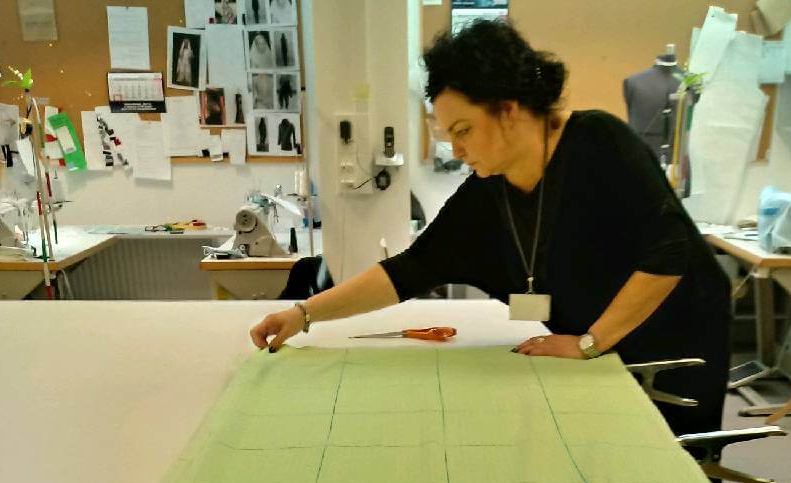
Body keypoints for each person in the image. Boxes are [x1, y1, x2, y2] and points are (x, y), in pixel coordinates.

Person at [250, 21, 731, 438]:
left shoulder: (600, 143)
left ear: (509, 109)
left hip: (674, 344)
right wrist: (304, 313)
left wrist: (590, 342)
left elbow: (670, 250)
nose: (457, 151)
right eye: (449, 135)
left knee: (671, 473)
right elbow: (410, 269)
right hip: (592, 353)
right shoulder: (488, 193)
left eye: (463, 130)